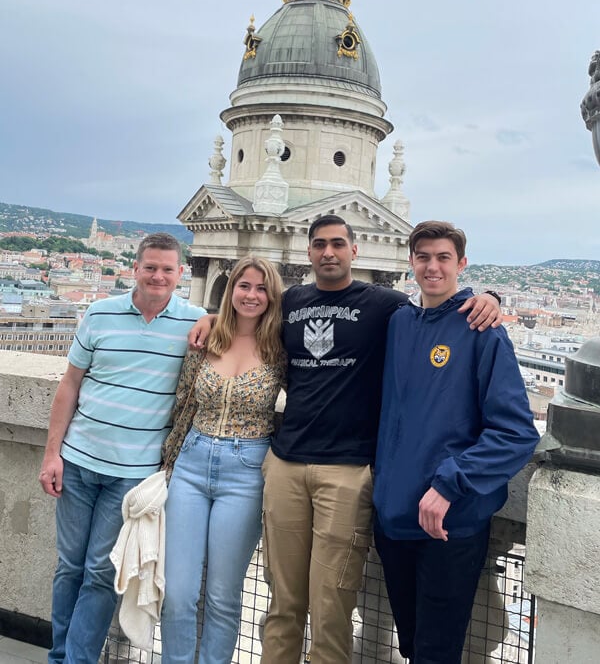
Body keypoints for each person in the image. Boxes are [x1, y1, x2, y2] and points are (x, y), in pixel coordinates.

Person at [190, 214, 501, 664]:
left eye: (338, 243)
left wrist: (490, 297)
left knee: (333, 605)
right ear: (308, 252)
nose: (328, 252)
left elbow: (439, 307)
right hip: (286, 464)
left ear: (355, 251)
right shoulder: (291, 301)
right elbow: (247, 315)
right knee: (282, 603)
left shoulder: (386, 305)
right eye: (319, 244)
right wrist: (209, 315)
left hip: (347, 471)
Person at [373, 221, 539, 664]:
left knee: (435, 652)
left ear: (461, 265)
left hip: (450, 523)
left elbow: (517, 432)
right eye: (423, 257)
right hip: (393, 517)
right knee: (410, 644)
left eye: (443, 258)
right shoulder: (399, 324)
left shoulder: (482, 330)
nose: (432, 266)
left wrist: (451, 484)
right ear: (410, 264)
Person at [39, 233, 206, 664]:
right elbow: (69, 386)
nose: (158, 275)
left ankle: (75, 660)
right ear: (135, 268)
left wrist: (214, 318)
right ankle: (60, 655)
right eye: (150, 267)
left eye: (168, 269)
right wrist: (51, 453)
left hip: (133, 474)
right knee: (69, 568)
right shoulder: (98, 314)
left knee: (99, 572)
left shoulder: (194, 322)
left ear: (180, 274)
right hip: (77, 461)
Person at [160, 256, 286, 664]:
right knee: (178, 592)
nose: (252, 295)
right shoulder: (206, 338)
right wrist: (168, 462)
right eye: (244, 286)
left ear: (273, 296)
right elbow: (182, 405)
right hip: (192, 465)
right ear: (230, 290)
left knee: (222, 596)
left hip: (246, 472)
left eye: (261, 288)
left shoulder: (281, 347)